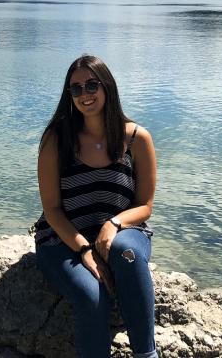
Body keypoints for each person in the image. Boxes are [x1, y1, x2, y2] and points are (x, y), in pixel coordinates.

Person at [33, 55, 158, 358]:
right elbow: (52, 209)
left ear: (107, 87)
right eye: (76, 89)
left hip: (124, 231)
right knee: (92, 296)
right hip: (62, 239)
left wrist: (112, 225)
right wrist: (83, 249)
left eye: (92, 85)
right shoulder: (57, 140)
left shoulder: (137, 139)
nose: (85, 94)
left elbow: (144, 205)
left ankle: (146, 354)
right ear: (70, 96)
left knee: (126, 254)